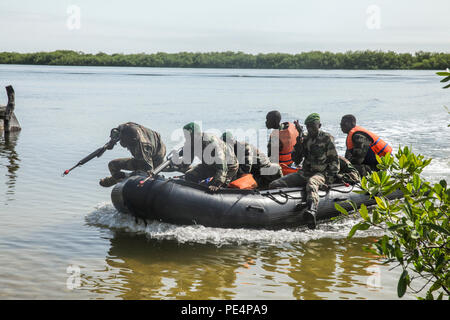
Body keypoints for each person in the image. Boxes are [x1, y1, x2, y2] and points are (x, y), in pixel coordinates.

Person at [269, 113, 340, 229]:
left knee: (312, 183)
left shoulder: (327, 139)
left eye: (313, 126)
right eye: (308, 127)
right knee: (276, 184)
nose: (310, 129)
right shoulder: (305, 139)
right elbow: (296, 160)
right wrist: (299, 142)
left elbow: (335, 162)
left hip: (321, 173)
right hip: (305, 172)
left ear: (319, 125)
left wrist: (329, 180)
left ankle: (312, 210)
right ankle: (283, 208)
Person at [99, 122, 166, 187]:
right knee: (112, 165)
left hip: (155, 158)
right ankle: (118, 181)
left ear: (133, 142)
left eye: (129, 145)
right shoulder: (124, 128)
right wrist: (111, 142)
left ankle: (126, 181)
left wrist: (127, 175)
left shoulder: (143, 148)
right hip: (141, 156)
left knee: (142, 174)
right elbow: (115, 133)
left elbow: (148, 171)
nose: (127, 147)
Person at [179, 122, 238, 191]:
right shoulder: (192, 143)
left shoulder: (212, 142)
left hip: (228, 167)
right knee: (190, 175)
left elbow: (222, 166)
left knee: (212, 186)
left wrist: (216, 183)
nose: (187, 139)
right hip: (209, 165)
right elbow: (187, 162)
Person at [265, 110, 299, 175]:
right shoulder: (290, 126)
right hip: (292, 163)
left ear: (274, 122)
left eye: (267, 120)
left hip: (282, 167)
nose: (266, 122)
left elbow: (271, 158)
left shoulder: (275, 137)